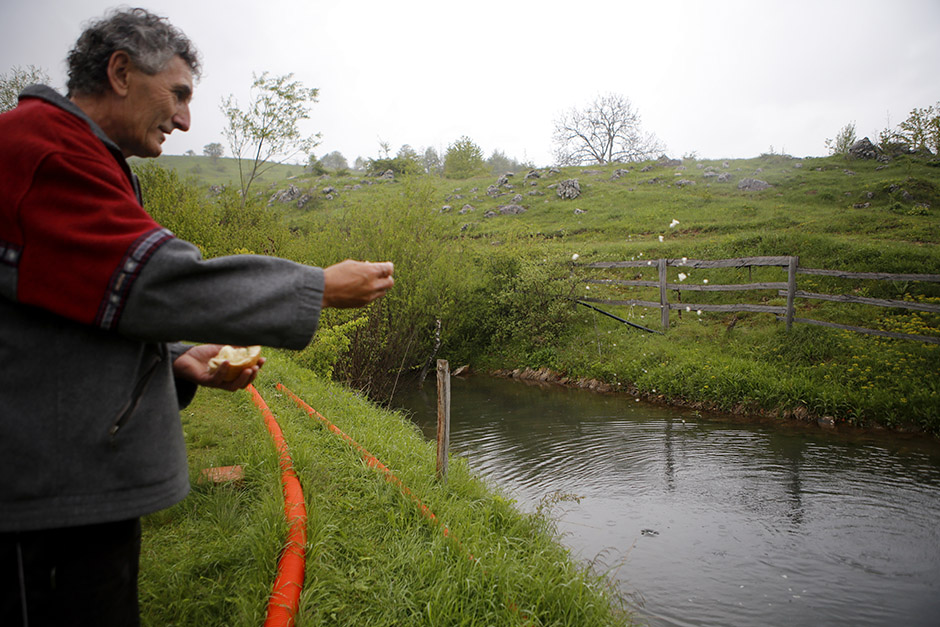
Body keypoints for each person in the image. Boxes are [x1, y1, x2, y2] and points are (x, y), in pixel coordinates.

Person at [0, 8, 394, 625]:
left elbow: (81, 305)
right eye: (179, 94)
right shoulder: (46, 152)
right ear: (121, 72)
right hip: (42, 499)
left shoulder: (78, 153)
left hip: (71, 481)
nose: (185, 120)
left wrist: (175, 358)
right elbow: (153, 280)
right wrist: (315, 287)